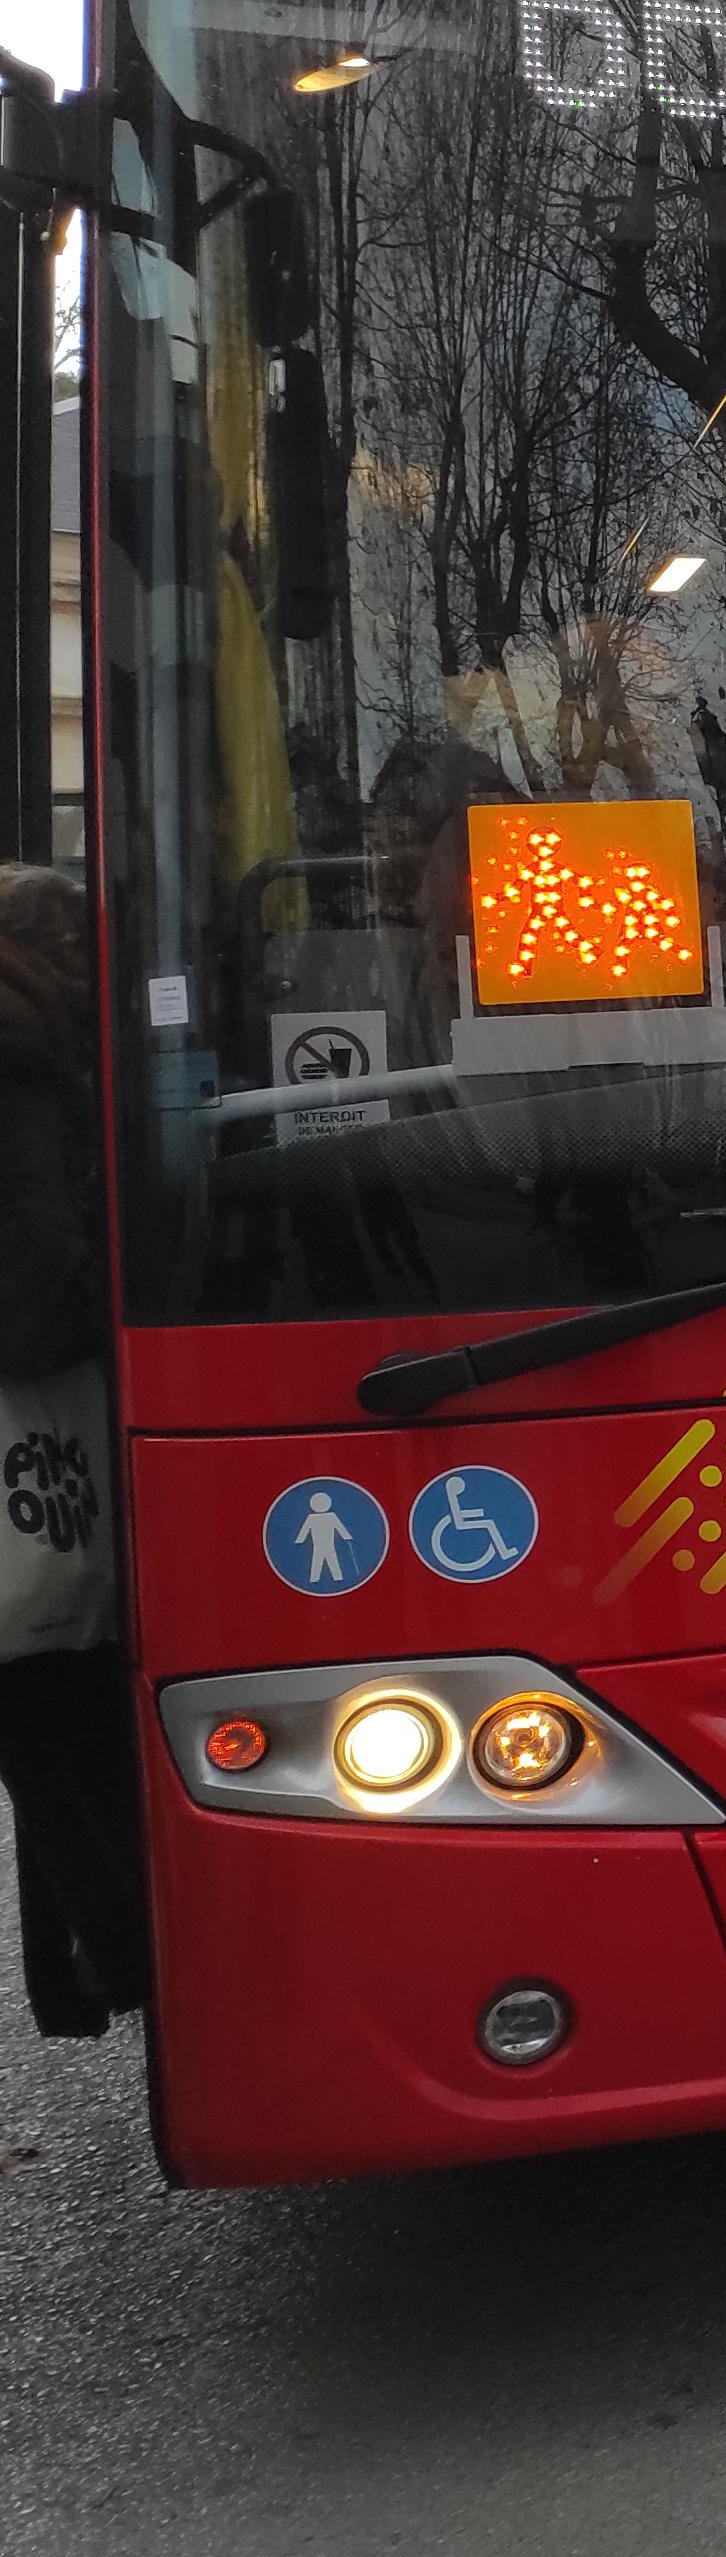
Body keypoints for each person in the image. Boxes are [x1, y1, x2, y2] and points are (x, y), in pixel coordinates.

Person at [0, 863, 143, 2036]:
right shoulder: (25, 1063)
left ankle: (87, 1968)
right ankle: (127, 1950)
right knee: (62, 1697)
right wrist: (127, 1299)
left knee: (37, 1715)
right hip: (33, 1430)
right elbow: (35, 1287)